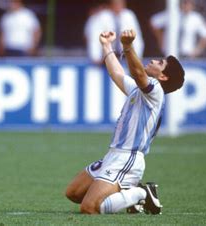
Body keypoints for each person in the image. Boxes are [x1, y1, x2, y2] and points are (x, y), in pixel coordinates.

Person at [65, 29, 185, 214]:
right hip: (114, 155)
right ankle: (129, 195)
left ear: (163, 77)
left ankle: (140, 193)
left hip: (127, 157)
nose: (153, 60)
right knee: (73, 193)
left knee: (89, 208)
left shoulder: (156, 91)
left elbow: (137, 72)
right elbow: (117, 73)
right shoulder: (140, 90)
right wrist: (107, 46)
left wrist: (128, 46)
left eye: (159, 63)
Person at [84, 0, 144, 65]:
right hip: (106, 57)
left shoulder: (129, 16)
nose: (118, 6)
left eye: (120, 3)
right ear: (111, 4)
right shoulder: (102, 17)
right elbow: (95, 38)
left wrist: (137, 57)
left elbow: (137, 38)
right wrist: (96, 58)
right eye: (116, 3)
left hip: (125, 56)